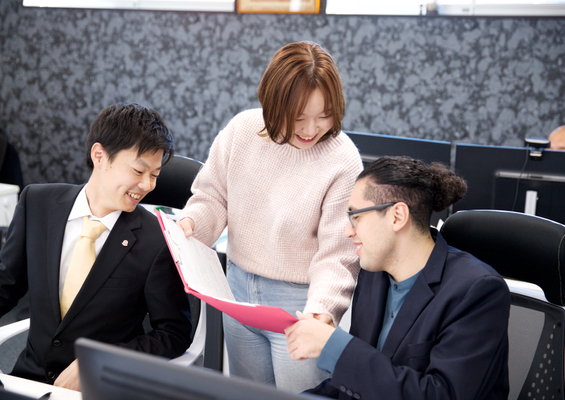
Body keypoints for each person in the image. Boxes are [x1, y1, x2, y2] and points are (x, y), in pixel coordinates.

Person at [0, 103, 192, 390]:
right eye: (138, 170)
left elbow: (173, 334)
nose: (147, 185)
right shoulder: (37, 203)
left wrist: (97, 361)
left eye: (155, 175)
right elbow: (1, 289)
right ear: (99, 155)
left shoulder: (156, 240)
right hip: (30, 380)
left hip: (102, 384)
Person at [177, 41, 362, 391]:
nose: (311, 129)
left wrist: (321, 312)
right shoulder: (242, 130)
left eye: (324, 115)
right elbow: (213, 196)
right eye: (298, 117)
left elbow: (337, 255)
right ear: (272, 104)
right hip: (237, 289)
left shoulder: (343, 161)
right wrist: (191, 224)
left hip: (299, 305)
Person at [285, 156, 510, 400]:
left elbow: (441, 395)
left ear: (397, 216)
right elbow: (357, 383)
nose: (348, 231)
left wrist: (336, 347)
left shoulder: (477, 290)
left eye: (356, 216)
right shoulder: (374, 273)